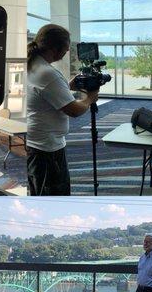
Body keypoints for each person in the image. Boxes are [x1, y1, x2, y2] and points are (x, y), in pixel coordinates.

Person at [27, 24, 99, 196]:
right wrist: (90, 98)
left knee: (40, 192)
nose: (67, 53)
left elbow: (46, 95)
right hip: (47, 150)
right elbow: (74, 110)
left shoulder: (33, 65)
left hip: (37, 145)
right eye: (66, 50)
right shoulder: (48, 73)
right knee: (55, 194)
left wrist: (67, 86)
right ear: (54, 48)